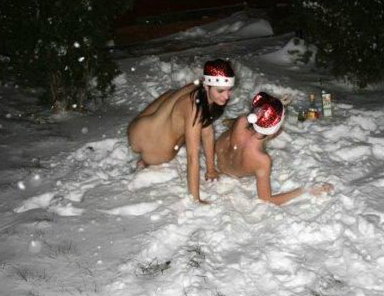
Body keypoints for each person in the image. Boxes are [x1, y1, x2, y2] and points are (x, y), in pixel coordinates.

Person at [128, 59, 235, 204]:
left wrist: (211, 169)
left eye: (229, 89)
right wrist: (196, 198)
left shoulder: (197, 87)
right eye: (221, 91)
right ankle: (146, 158)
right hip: (155, 153)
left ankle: (145, 147)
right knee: (193, 124)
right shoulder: (194, 108)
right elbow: (192, 156)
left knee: (173, 95)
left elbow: (207, 131)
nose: (226, 96)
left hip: (137, 128)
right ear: (207, 86)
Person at [215, 91, 333, 205]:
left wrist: (275, 107)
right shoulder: (262, 160)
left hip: (220, 161)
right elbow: (266, 199)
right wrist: (305, 190)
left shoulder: (241, 121)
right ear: (275, 131)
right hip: (233, 172)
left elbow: (256, 120)